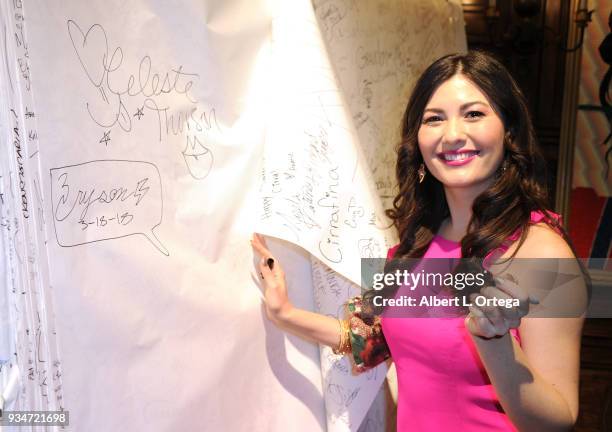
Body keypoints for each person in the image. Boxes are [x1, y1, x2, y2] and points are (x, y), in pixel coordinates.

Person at [251, 51, 586, 431]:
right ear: (418, 140)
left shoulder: (540, 250)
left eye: (474, 114)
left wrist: (494, 340)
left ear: (508, 130)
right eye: (434, 119)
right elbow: (376, 338)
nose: (453, 134)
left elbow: (557, 421)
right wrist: (286, 314)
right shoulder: (419, 240)